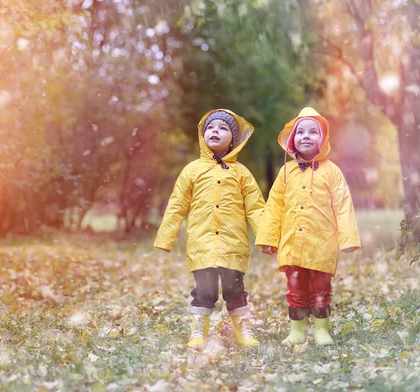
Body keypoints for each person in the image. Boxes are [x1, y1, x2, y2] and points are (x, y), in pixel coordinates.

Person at [154, 109, 265, 348]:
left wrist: (266, 237)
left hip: (233, 244)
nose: (215, 131)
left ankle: (243, 331)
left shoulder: (241, 173)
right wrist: (166, 238)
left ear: (233, 140)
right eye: (211, 127)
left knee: (234, 290)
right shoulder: (192, 170)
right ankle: (198, 332)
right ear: (203, 135)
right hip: (202, 243)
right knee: (204, 291)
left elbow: (255, 207)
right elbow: (177, 205)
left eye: (223, 128)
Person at [255, 107, 360, 346]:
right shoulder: (285, 172)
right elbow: (274, 207)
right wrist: (269, 238)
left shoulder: (332, 172)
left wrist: (348, 238)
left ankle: (321, 330)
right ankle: (297, 330)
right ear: (292, 140)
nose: (305, 136)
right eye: (300, 132)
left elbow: (343, 205)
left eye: (313, 132)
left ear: (322, 140)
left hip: (322, 243)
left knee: (321, 288)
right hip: (292, 243)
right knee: (295, 288)